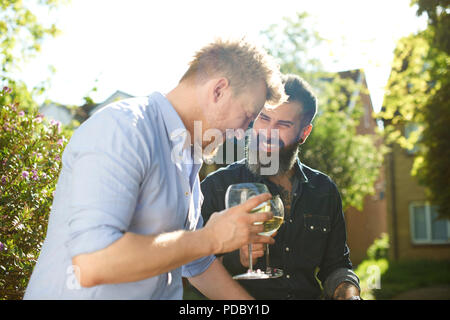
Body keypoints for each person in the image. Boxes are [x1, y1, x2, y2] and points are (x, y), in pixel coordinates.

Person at [24, 38, 287, 299]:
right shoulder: (124, 128)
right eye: (247, 117)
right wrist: (212, 238)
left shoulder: (186, 154)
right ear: (218, 90)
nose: (242, 134)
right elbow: (93, 262)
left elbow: (196, 262)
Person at [200, 74, 361, 300]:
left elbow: (336, 265)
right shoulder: (217, 187)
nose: (268, 133)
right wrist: (237, 259)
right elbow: (192, 266)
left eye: (283, 125)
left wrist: (350, 295)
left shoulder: (324, 190)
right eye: (264, 118)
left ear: (304, 134)